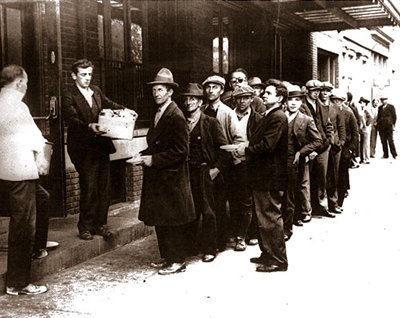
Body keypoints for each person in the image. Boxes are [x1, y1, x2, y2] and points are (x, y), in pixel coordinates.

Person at [63, 59, 129, 241]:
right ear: (74, 75)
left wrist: (126, 111)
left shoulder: (96, 91)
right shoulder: (68, 94)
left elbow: (108, 104)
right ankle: (85, 226)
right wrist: (89, 126)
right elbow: (71, 119)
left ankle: (100, 224)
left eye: (89, 74)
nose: (87, 78)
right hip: (83, 149)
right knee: (89, 187)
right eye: (83, 74)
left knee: (104, 187)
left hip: (100, 147)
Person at [137, 68, 195, 275]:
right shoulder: (160, 113)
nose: (156, 93)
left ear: (170, 91)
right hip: (160, 177)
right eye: (154, 90)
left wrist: (153, 159)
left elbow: (181, 151)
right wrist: (142, 155)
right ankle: (167, 257)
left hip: (172, 178)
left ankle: (177, 260)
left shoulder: (176, 115)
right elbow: (156, 145)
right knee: (162, 219)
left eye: (160, 89)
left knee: (172, 221)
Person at [0, 64, 47, 295]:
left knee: (44, 198)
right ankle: (18, 283)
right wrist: (42, 158)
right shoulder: (17, 106)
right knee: (22, 226)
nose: (26, 87)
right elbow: (35, 137)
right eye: (26, 82)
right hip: (20, 171)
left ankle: (39, 247)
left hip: (4, 172)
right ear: (19, 83)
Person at [235, 79, 288, 272]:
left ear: (280, 98)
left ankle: (278, 260)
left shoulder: (278, 116)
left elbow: (268, 146)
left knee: (270, 218)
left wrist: (245, 150)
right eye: (264, 92)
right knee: (263, 218)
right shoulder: (270, 114)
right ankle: (267, 254)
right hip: (263, 175)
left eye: (269, 93)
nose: (264, 95)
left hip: (270, 177)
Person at [182, 83, 228, 263]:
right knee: (189, 210)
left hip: (204, 171)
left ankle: (211, 248)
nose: (188, 103)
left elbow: (224, 149)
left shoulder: (210, 122)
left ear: (200, 102)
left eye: (192, 99)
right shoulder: (182, 121)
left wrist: (214, 170)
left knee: (208, 212)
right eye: (185, 99)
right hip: (186, 173)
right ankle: (191, 246)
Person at [202, 74, 244, 251]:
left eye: (215, 87)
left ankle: (223, 239)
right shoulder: (202, 109)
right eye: (208, 87)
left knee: (222, 204)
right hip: (207, 163)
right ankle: (210, 239)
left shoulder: (228, 113)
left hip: (226, 165)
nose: (211, 91)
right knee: (208, 205)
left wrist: (229, 161)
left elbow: (238, 139)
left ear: (221, 90)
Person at [282, 84, 322, 240]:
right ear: (285, 101)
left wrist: (301, 152)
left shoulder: (306, 120)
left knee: (289, 195)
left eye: (297, 100)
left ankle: (287, 228)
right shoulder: (279, 116)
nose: (293, 103)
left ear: (301, 102)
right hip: (275, 160)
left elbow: (318, 140)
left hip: (293, 161)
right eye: (290, 99)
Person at [230, 84, 262, 251]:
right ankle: (234, 232)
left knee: (246, 200)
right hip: (230, 162)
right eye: (239, 98)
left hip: (248, 164)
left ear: (251, 99)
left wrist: (246, 149)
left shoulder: (257, 118)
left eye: (246, 98)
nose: (242, 101)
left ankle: (243, 235)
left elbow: (259, 143)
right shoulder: (229, 115)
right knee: (232, 199)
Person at [303, 80, 335, 218]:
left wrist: (328, 141)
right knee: (306, 180)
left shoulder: (321, 106)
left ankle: (322, 206)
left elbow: (329, 126)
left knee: (321, 177)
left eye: (318, 91)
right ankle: (307, 210)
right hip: (309, 148)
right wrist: (310, 149)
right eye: (313, 91)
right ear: (307, 91)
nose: (316, 93)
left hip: (322, 148)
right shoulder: (302, 106)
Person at [319, 81, 345, 215]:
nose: (324, 93)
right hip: (322, 145)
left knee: (334, 175)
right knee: (322, 175)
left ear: (330, 93)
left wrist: (340, 141)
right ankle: (321, 205)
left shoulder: (336, 108)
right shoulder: (317, 106)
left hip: (335, 147)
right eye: (323, 90)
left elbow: (341, 126)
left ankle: (333, 202)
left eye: (327, 91)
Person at [330, 89, 359, 209]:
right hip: (334, 147)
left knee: (342, 175)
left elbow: (355, 133)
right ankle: (332, 200)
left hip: (345, 148)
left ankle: (340, 200)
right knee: (332, 175)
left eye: (339, 100)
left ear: (343, 101)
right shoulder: (330, 111)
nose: (337, 102)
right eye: (335, 100)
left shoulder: (349, 112)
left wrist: (351, 150)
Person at [359, 97, 373, 164]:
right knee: (362, 143)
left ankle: (366, 158)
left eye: (362, 102)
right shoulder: (362, 109)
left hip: (365, 129)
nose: (361, 104)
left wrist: (366, 125)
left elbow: (371, 117)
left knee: (366, 143)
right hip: (362, 128)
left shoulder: (366, 110)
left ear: (365, 103)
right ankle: (362, 158)